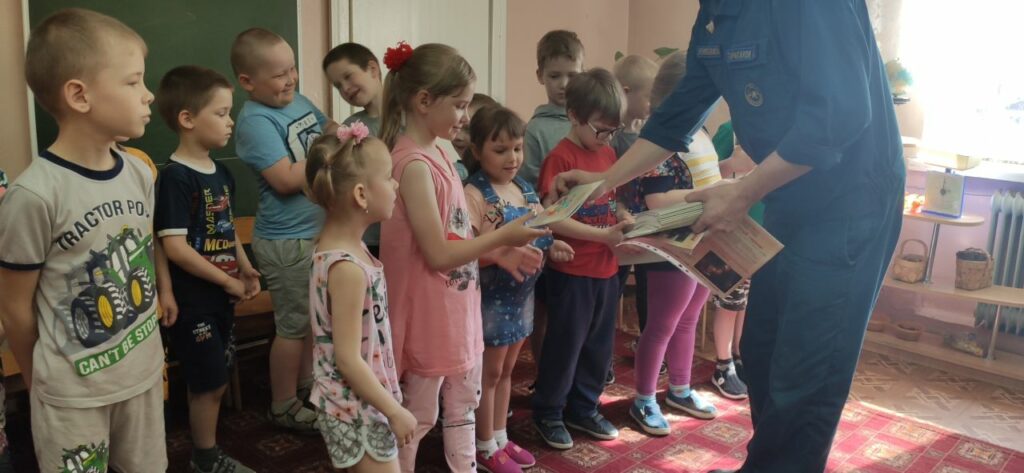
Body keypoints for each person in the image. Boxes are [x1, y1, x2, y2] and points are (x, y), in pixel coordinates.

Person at [554, 2, 905, 471]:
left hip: (850, 203)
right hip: (789, 198)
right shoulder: (715, 13)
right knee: (762, 351)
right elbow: (674, 119)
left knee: (806, 373)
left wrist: (742, 193)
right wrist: (603, 182)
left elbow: (838, 117)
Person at [0, 9, 167, 471]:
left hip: (141, 377)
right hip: (71, 397)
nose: (149, 94)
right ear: (79, 95)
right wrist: (40, 384)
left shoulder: (138, 172)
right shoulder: (34, 195)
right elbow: (15, 307)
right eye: (133, 81)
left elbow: (143, 256)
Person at [377, 42, 547, 473]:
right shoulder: (413, 164)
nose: (466, 116)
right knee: (419, 414)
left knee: (464, 403)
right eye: (459, 105)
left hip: (458, 303)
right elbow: (437, 253)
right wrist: (501, 238)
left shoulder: (442, 151)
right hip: (428, 310)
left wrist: (502, 251)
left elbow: (456, 232)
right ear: (423, 101)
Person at [232, 27, 340, 433]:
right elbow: (284, 178)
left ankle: (306, 385)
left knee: (311, 322)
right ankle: (282, 404)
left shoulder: (298, 101)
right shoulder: (255, 121)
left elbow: (329, 128)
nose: (291, 79)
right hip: (286, 242)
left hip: (313, 235)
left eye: (292, 69)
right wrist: (330, 149)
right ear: (248, 81)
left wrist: (338, 135)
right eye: (279, 74)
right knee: (292, 327)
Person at [154, 65, 261, 473]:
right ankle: (204, 458)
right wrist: (225, 281)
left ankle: (207, 451)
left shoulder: (222, 173)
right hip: (193, 302)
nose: (230, 121)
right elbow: (175, 247)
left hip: (221, 296)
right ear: (187, 119)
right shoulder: (175, 179)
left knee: (218, 377)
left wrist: (244, 269)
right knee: (208, 381)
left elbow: (226, 228)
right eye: (221, 113)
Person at [463, 105, 574, 472]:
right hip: (491, 301)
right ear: (477, 150)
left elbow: (539, 230)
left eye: (517, 148)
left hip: (522, 297)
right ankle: (483, 444)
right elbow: (467, 253)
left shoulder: (524, 189)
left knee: (509, 370)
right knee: (490, 374)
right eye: (500, 150)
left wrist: (553, 244)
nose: (512, 158)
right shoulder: (474, 194)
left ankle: (500, 436)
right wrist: (500, 254)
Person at [624, 52, 727, 438]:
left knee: (689, 318)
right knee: (662, 325)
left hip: (704, 240)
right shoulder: (661, 139)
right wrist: (709, 195)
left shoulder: (699, 132)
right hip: (672, 246)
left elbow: (708, 175)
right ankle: (643, 398)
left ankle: (680, 389)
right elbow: (657, 200)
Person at [304, 122, 416, 472]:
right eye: (388, 177)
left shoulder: (346, 249)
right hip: (357, 409)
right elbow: (349, 359)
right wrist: (394, 410)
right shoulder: (347, 269)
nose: (395, 185)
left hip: (356, 401)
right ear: (361, 195)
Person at [532, 68, 631, 450]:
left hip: (606, 269)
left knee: (599, 347)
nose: (607, 139)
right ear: (574, 115)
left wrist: (623, 216)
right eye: (601, 130)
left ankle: (584, 407)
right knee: (565, 345)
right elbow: (552, 217)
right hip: (572, 269)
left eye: (613, 131)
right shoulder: (560, 158)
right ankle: (549, 411)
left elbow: (613, 198)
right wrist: (603, 236)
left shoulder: (608, 153)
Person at [521, 29, 586, 381]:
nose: (563, 84)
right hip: (549, 229)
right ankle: (544, 372)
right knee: (545, 306)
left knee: (577, 308)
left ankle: (576, 372)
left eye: (572, 75)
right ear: (539, 76)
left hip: (586, 231)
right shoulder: (536, 129)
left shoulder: (590, 122)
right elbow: (528, 182)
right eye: (554, 76)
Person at [323, 42, 387, 256]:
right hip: (369, 237)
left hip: (406, 231)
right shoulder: (350, 128)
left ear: (373, 69)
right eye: (338, 85)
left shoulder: (410, 117)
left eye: (348, 76)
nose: (345, 88)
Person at [452, 93, 499, 181]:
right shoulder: (452, 173)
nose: (458, 137)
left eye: (468, 130)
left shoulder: (504, 175)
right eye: (455, 128)